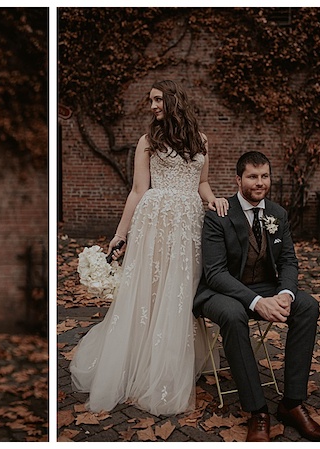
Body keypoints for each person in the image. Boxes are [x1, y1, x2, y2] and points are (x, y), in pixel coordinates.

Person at [69, 80, 230, 415]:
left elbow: (201, 182)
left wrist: (213, 200)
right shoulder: (148, 141)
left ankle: (170, 361)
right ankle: (139, 363)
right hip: (155, 223)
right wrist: (121, 233)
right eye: (150, 100)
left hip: (189, 225)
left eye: (157, 99)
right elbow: (138, 190)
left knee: (181, 292)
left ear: (173, 100)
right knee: (152, 292)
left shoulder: (200, 141)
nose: (152, 105)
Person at [193, 151, 320, 442]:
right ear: (238, 179)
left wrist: (284, 294)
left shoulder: (278, 214)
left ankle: (292, 403)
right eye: (253, 176)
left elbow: (289, 262)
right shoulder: (219, 214)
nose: (260, 183)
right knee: (233, 314)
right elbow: (216, 273)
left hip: (268, 287)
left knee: (307, 305)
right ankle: (257, 411)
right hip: (221, 291)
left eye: (264, 176)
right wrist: (257, 302)